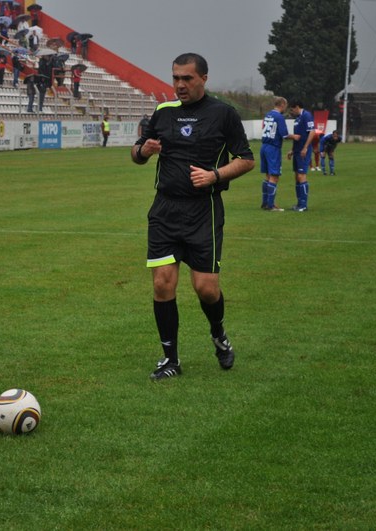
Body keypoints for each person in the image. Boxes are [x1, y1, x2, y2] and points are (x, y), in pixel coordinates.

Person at [131, 52, 254, 381]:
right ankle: (170, 359)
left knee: (206, 289)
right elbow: (137, 152)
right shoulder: (163, 111)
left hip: (204, 211)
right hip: (165, 210)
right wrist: (143, 151)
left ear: (203, 79)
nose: (180, 84)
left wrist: (215, 175)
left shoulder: (223, 114)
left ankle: (219, 333)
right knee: (162, 283)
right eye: (176, 78)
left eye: (187, 78)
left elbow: (246, 159)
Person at [259, 96, 290, 212]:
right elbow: (285, 135)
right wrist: (295, 137)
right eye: (286, 105)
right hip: (273, 148)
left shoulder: (268, 115)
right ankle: (270, 205)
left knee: (267, 176)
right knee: (274, 176)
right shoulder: (279, 117)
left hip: (264, 146)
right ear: (282, 104)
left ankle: (265, 202)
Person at [287, 100, 314, 211]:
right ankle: (299, 203)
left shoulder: (307, 115)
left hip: (303, 151)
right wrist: (292, 150)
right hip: (297, 151)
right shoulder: (297, 119)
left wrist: (305, 147)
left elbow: (312, 132)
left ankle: (303, 205)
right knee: (297, 177)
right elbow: (297, 136)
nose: (291, 111)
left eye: (292, 109)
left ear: (297, 107)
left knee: (301, 176)